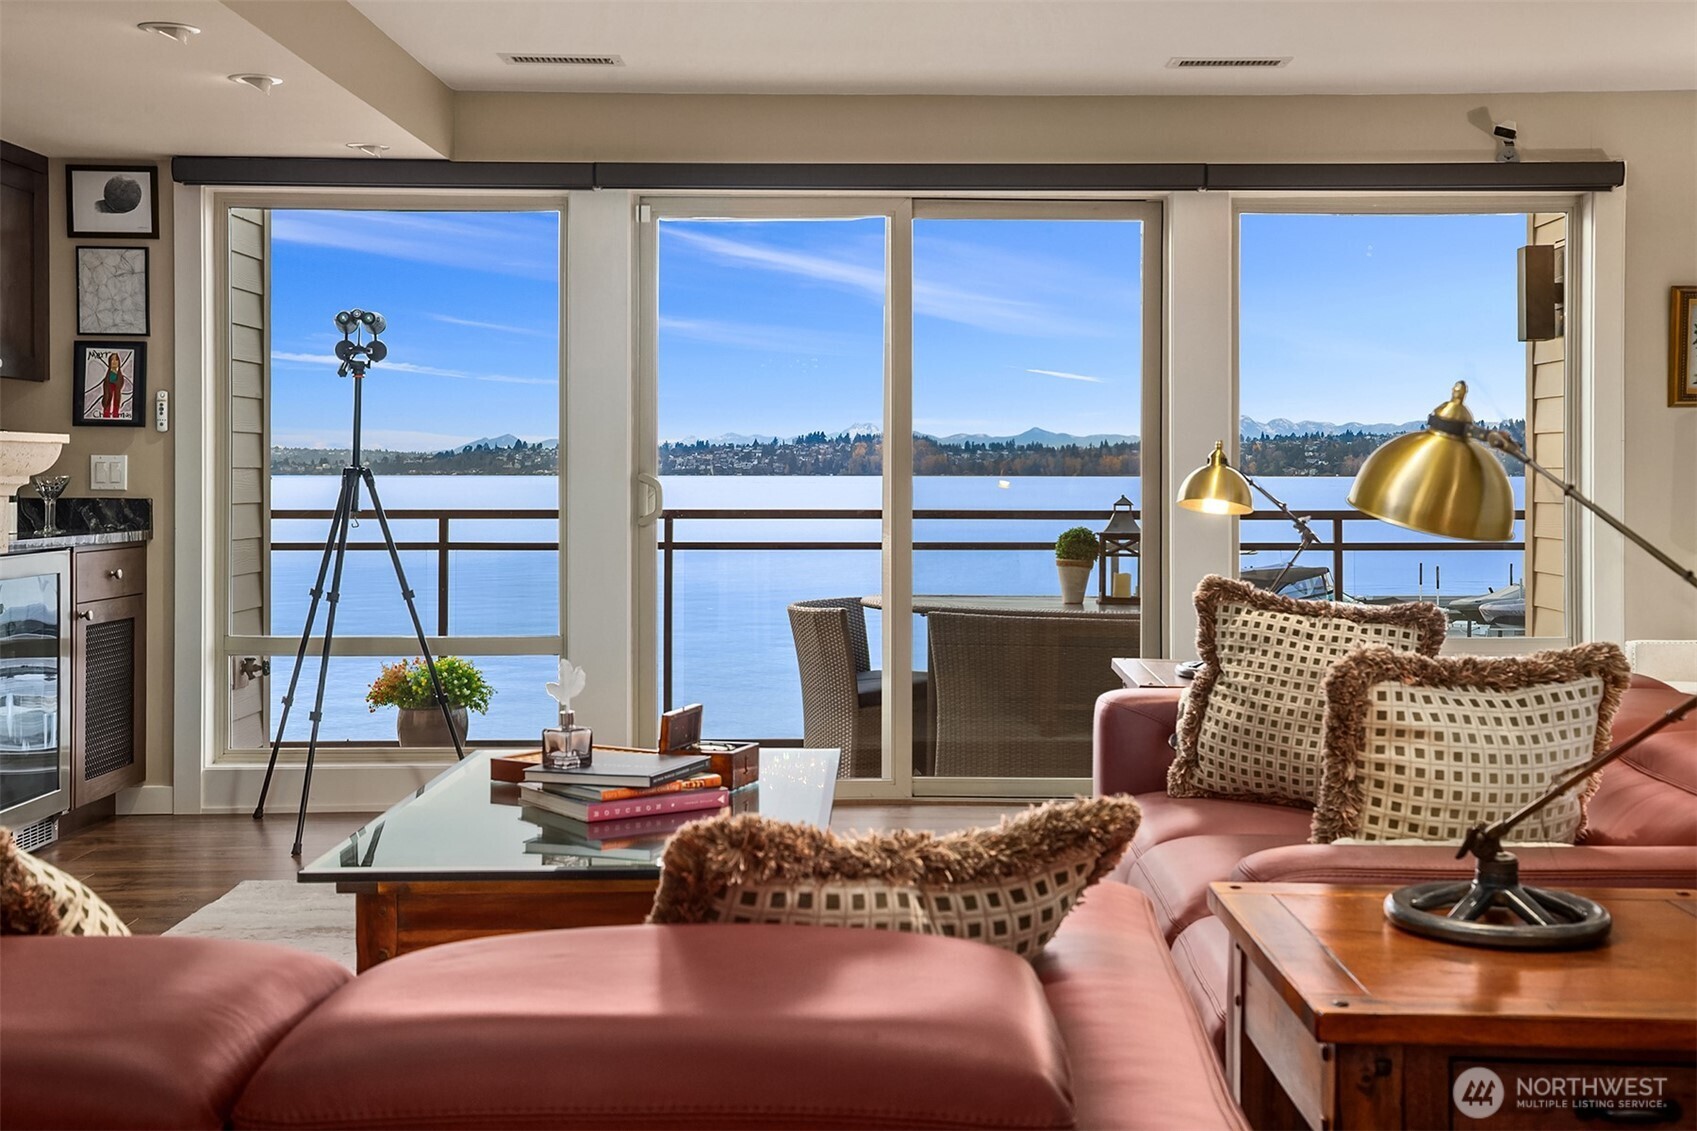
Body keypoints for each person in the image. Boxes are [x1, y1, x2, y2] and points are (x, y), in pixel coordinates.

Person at [99, 352, 124, 418]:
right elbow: (106, 382)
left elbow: (121, 381)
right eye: (112, 360)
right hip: (109, 387)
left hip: (117, 388)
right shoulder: (109, 373)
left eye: (116, 360)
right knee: (108, 399)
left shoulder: (119, 373)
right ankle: (106, 413)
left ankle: (116, 413)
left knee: (116, 400)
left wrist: (118, 384)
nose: (114, 362)